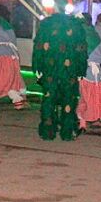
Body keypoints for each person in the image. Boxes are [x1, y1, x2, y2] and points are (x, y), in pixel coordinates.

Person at [32, 11, 89, 140]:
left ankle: (48, 131)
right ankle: (67, 132)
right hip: (69, 69)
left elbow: (39, 47)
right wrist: (81, 70)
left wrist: (37, 66)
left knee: (49, 97)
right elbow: (81, 49)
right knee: (69, 98)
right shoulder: (75, 25)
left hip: (50, 68)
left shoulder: (46, 24)